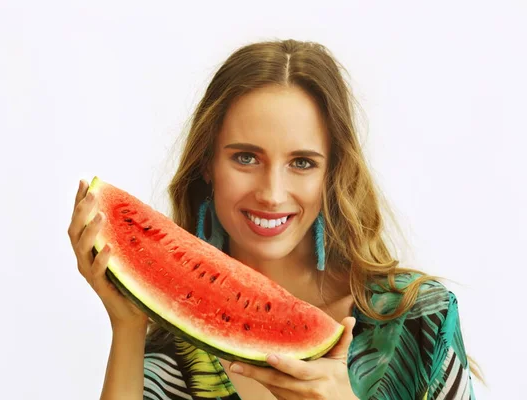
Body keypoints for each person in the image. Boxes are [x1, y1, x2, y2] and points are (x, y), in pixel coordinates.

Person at [68, 39, 478, 399]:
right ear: (208, 164)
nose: (272, 194)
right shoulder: (168, 350)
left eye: (302, 162)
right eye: (245, 157)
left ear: (331, 174)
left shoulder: (420, 318)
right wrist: (126, 327)